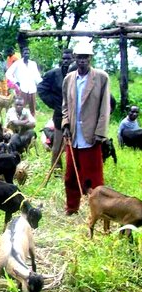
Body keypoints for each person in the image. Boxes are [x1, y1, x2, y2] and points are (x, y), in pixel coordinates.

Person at [61, 42, 110, 216]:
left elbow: (105, 107)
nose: (82, 61)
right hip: (73, 135)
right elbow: (65, 105)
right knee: (70, 176)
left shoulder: (101, 78)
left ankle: (99, 210)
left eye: (86, 57)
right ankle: (72, 207)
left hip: (91, 135)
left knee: (94, 178)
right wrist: (65, 124)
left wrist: (100, 132)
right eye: (79, 57)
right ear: (75, 57)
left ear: (90, 58)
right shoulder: (69, 79)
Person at [38, 49, 74, 170]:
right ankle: (56, 169)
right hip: (59, 114)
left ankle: (74, 170)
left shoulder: (78, 74)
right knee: (57, 144)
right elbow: (41, 88)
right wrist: (53, 103)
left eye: (68, 59)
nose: (65, 61)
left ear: (73, 59)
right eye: (64, 58)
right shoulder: (53, 74)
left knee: (74, 146)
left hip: (76, 115)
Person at [6, 47, 42, 116]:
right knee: (20, 109)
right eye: (25, 53)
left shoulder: (33, 64)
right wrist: (16, 82)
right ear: (22, 54)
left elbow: (37, 76)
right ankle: (20, 124)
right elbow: (8, 73)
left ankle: (32, 124)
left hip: (32, 89)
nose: (27, 55)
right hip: (22, 89)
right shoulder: (17, 63)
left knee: (32, 109)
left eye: (28, 53)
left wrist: (42, 84)